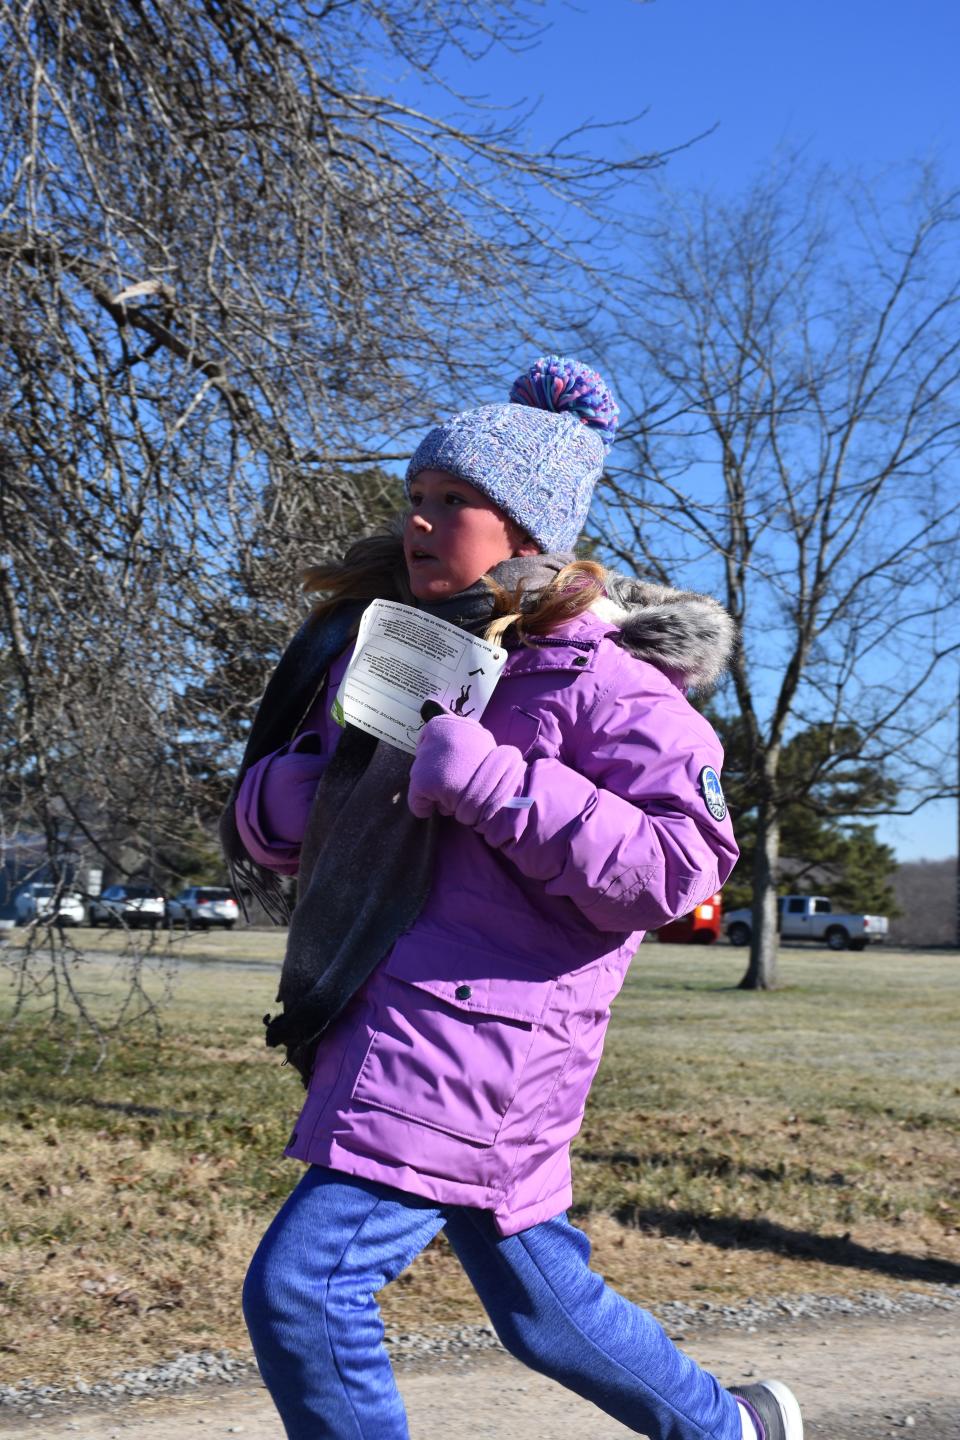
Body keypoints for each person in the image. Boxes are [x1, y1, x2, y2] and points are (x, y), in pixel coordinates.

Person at [221, 356, 803, 1440]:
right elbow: (288, 818)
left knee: (306, 1293)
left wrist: (497, 783)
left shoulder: (612, 688)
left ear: (530, 531)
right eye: (416, 499)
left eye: (456, 502)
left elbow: (682, 866)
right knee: (543, 1311)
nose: (422, 522)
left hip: (481, 1052)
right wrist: (286, 801)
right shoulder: (396, 654)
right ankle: (729, 1429)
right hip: (393, 1024)